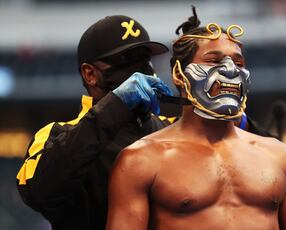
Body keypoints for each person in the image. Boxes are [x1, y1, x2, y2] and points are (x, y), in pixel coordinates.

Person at [107, 10, 286, 230]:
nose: (230, 70)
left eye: (239, 63)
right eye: (213, 60)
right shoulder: (140, 160)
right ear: (179, 74)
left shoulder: (282, 157)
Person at [16, 15, 174, 230]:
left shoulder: (172, 128)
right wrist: (116, 106)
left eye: (145, 59)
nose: (143, 69)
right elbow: (36, 192)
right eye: (126, 60)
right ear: (90, 74)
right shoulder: (54, 134)